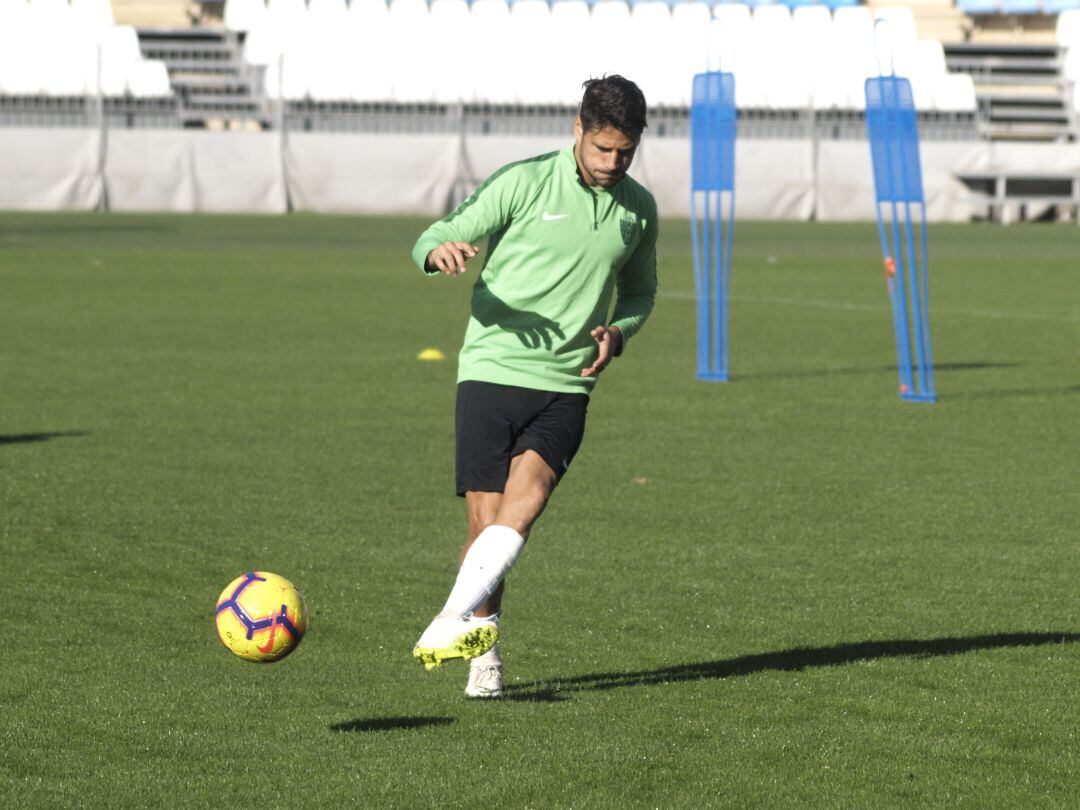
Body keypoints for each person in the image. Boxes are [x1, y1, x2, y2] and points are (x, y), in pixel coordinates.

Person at [409, 75, 659, 698]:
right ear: (578, 129)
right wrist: (439, 252)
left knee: (528, 504)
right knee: (485, 525)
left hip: (567, 384)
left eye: (624, 152)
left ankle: (449, 618)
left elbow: (641, 292)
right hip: (492, 371)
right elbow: (435, 234)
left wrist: (620, 333)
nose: (612, 163)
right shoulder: (523, 182)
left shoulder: (639, 209)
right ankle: (482, 651)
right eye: (602, 148)